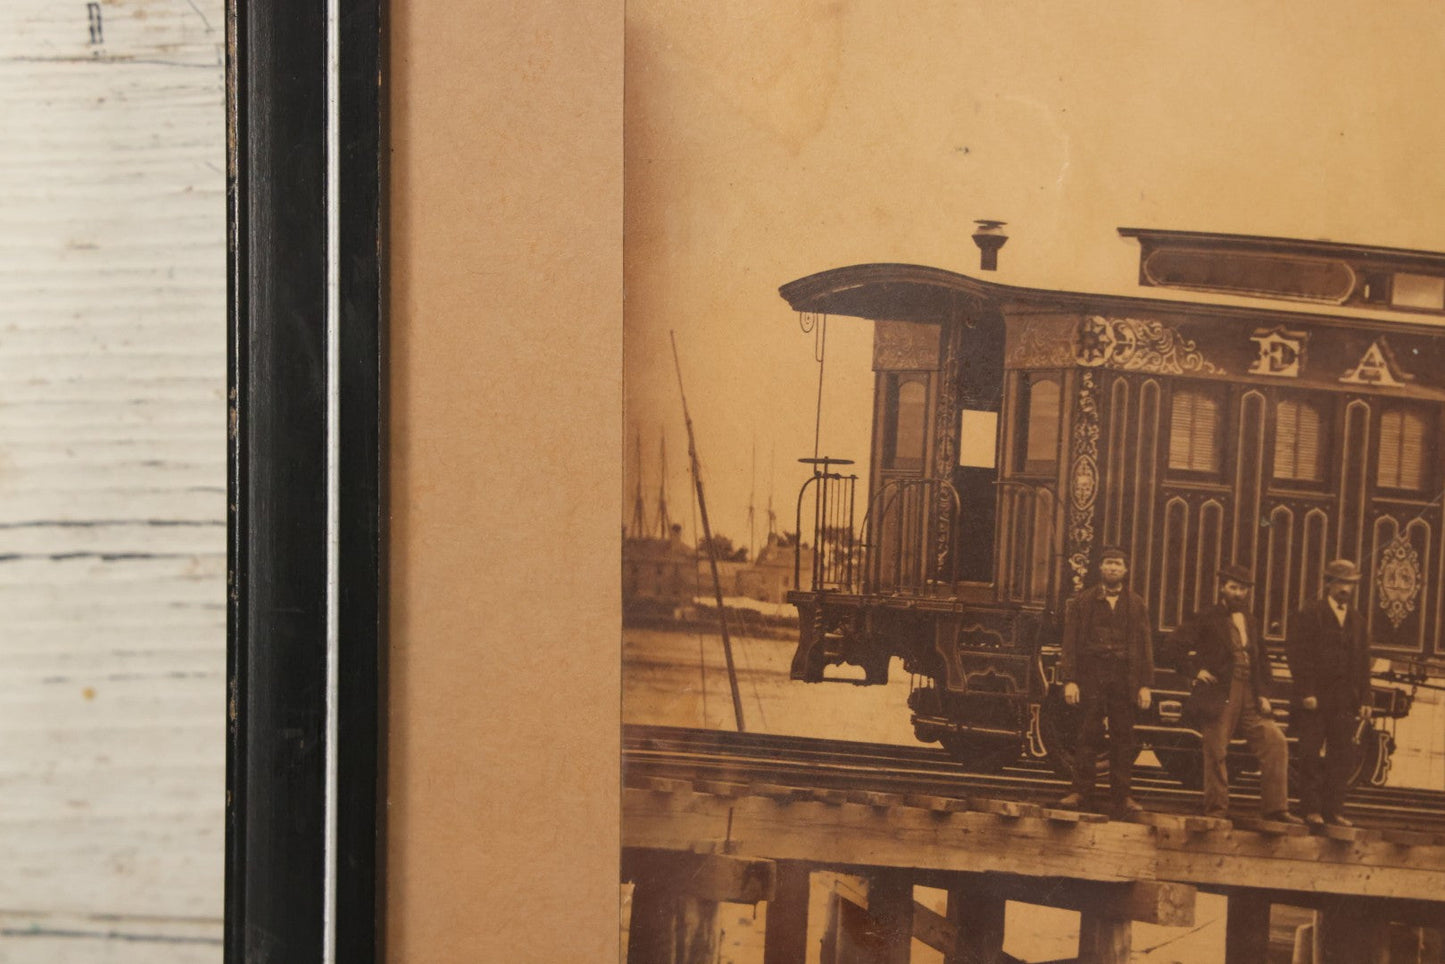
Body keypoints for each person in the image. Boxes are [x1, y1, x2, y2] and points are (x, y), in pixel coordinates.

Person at [1172, 564, 1300, 823]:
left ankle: (1276, 809)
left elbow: (1261, 660)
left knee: (1275, 742)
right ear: (1223, 588)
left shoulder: (1250, 620)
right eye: (1233, 588)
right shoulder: (1206, 616)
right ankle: (1217, 811)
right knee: (1216, 751)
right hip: (1220, 694)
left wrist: (1263, 694)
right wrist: (1196, 671)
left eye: (1242, 589)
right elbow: (1173, 646)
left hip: (1249, 695)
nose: (1238, 594)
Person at [1055, 547, 1154, 819]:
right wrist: (1070, 680)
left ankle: (1122, 798)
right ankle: (1081, 793)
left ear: (1125, 570)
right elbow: (1070, 643)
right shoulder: (1083, 602)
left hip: (1124, 679)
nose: (1113, 568)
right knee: (1087, 734)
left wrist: (1145, 684)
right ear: (1100, 568)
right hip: (1092, 677)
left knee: (1124, 739)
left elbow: (1145, 646)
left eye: (1118, 564)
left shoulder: (1136, 604)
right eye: (1108, 563)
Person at [1285, 559, 1372, 828]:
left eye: (1351, 584)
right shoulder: (1310, 613)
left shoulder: (1357, 620)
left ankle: (1333, 811)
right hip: (1316, 699)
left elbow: (1362, 662)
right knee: (1309, 754)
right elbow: (1297, 656)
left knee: (1341, 756)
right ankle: (1310, 809)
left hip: (1345, 700)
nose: (1346, 589)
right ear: (1329, 584)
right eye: (1341, 583)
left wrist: (1366, 699)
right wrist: (1307, 691)